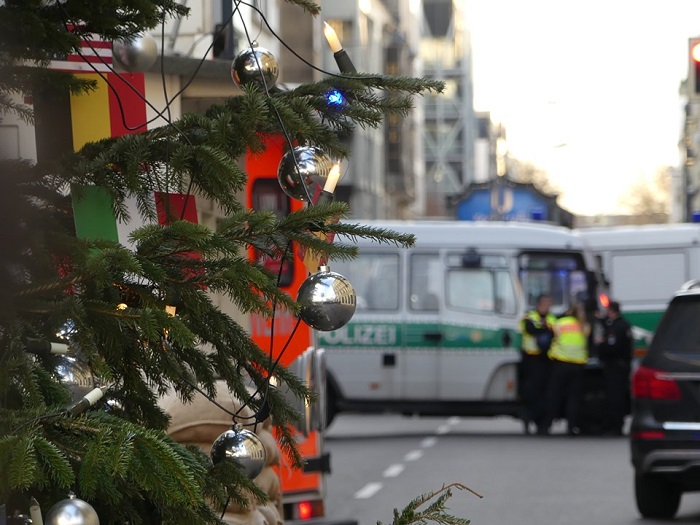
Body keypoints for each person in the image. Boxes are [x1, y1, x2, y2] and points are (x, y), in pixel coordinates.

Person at [540, 302, 590, 435]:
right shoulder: (583, 325)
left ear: (568, 311)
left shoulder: (560, 323)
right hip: (578, 364)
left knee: (554, 396)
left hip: (560, 363)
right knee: (573, 398)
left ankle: (546, 426)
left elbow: (548, 338)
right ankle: (571, 427)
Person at [519, 294, 556, 434]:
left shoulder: (552, 318)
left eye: (549, 304)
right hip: (531, 359)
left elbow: (555, 333)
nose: (548, 307)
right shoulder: (530, 317)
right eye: (546, 304)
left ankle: (542, 424)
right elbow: (530, 330)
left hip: (547, 360)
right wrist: (546, 329)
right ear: (539, 304)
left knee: (545, 393)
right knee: (531, 393)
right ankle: (529, 418)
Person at [596, 301, 634, 436]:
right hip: (622, 366)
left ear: (611, 311)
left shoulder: (616, 328)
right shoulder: (624, 324)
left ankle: (615, 427)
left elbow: (612, 347)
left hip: (615, 367)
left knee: (614, 397)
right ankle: (617, 425)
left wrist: (600, 345)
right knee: (620, 395)